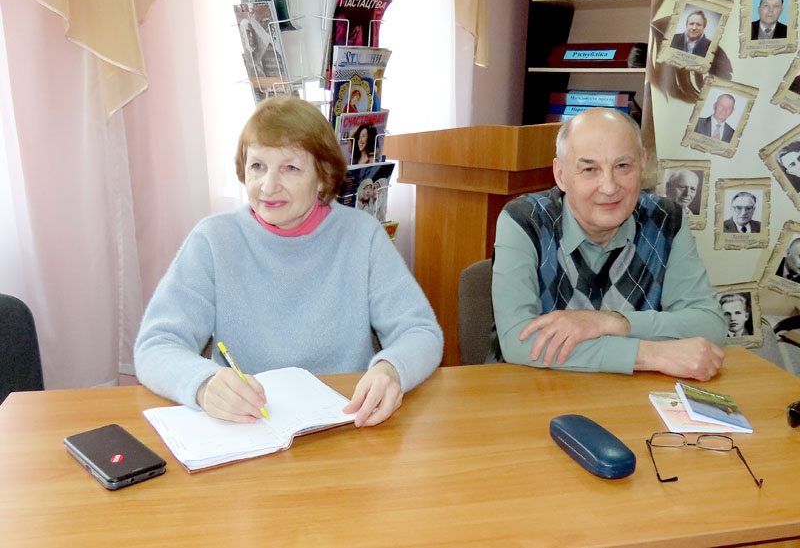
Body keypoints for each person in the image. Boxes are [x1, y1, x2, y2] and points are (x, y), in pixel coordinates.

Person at [134, 97, 443, 428]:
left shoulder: (362, 236)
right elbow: (156, 345)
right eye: (257, 166)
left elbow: (420, 331)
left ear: (323, 176)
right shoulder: (213, 240)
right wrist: (203, 383)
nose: (268, 186)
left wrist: (390, 370)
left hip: (347, 423)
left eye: (290, 168)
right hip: (249, 426)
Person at [492, 108, 726, 381]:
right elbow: (518, 341)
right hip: (538, 390)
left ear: (642, 163)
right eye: (589, 169)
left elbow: (710, 325)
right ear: (560, 174)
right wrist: (651, 354)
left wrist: (610, 322)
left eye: (622, 166)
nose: (609, 187)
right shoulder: (524, 221)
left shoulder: (666, 220)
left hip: (632, 394)